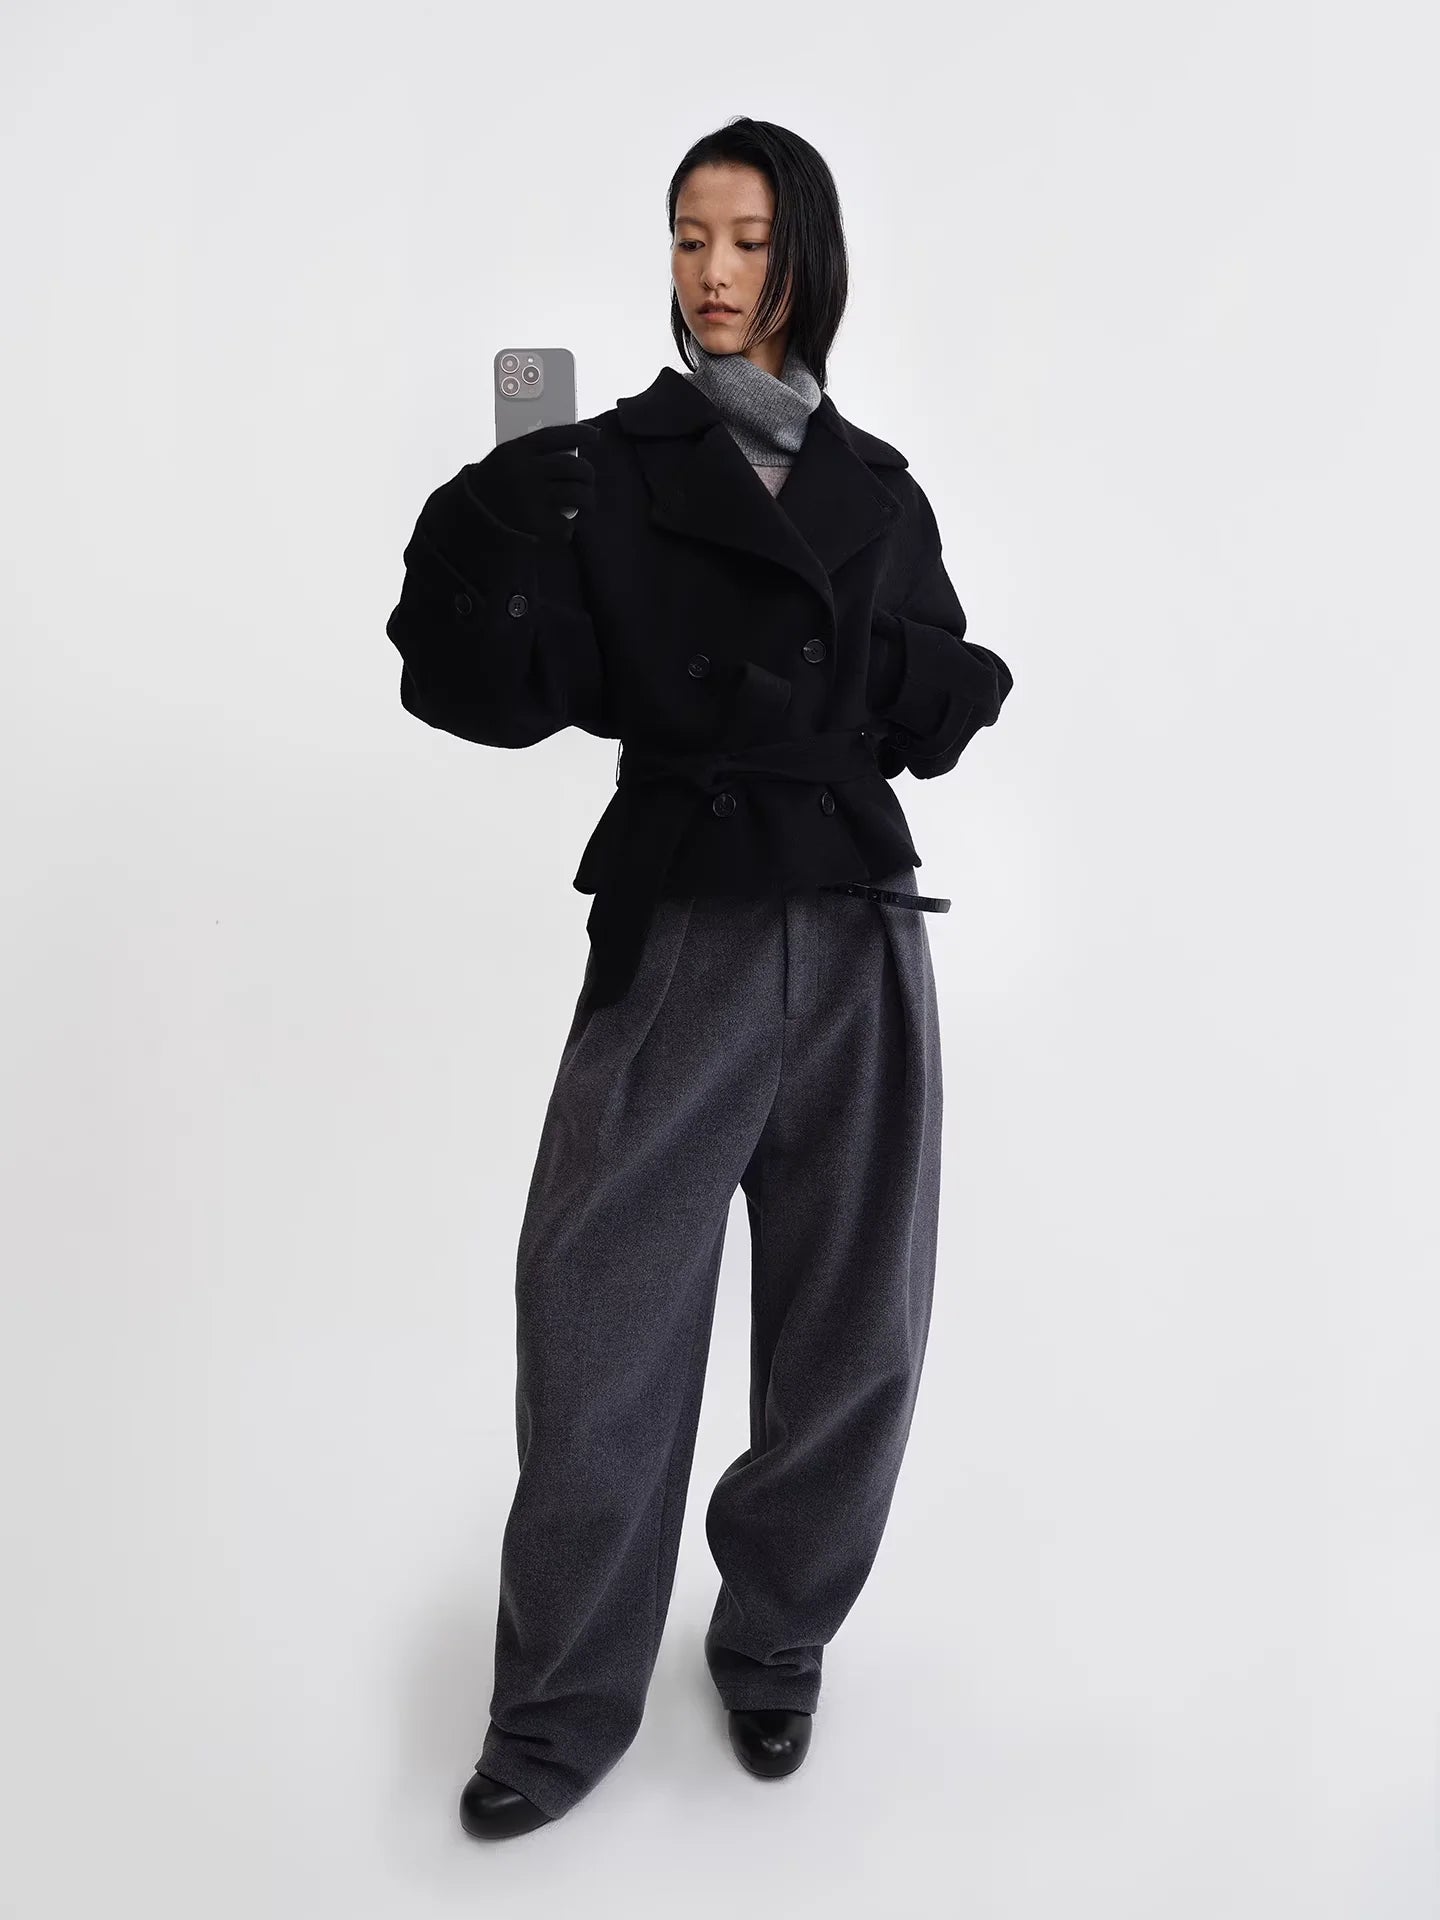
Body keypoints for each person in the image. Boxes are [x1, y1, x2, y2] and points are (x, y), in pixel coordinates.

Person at [384, 116, 1014, 1840]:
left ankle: (776, 1638)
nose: (713, 272)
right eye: (687, 238)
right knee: (597, 1324)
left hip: (863, 924)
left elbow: (936, 696)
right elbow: (483, 694)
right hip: (686, 923)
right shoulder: (602, 464)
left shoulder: (878, 485)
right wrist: (487, 529)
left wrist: (926, 683)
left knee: (854, 1332)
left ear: (805, 256)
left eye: (744, 239)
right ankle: (560, 1707)